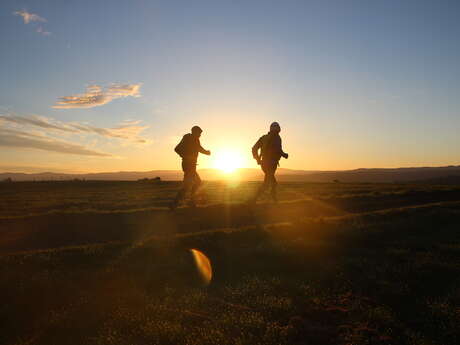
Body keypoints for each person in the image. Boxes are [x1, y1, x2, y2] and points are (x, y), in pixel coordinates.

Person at [170, 125, 211, 210]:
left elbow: (198, 148)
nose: (200, 135)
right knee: (190, 184)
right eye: (199, 133)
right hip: (189, 166)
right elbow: (177, 149)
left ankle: (187, 202)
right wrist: (186, 156)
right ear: (195, 132)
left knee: (193, 183)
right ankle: (176, 204)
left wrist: (206, 152)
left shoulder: (191, 139)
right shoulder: (191, 138)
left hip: (189, 165)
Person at [250, 122, 288, 203]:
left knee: (272, 182)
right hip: (269, 164)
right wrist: (284, 154)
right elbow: (278, 150)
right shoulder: (276, 138)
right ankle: (254, 199)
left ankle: (272, 199)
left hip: (267, 163)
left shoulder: (265, 138)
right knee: (268, 182)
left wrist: (257, 159)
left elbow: (254, 148)